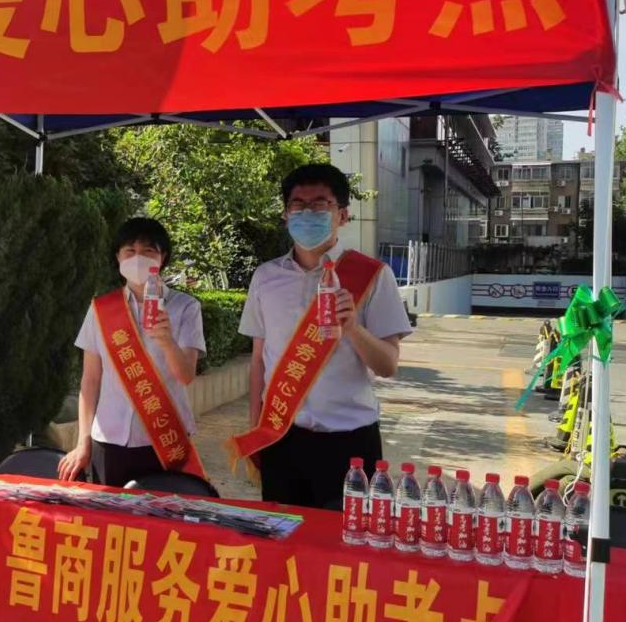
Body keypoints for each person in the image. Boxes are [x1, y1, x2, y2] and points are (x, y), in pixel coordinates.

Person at [229, 163, 412, 510]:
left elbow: (388, 365)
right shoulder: (265, 277)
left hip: (350, 442)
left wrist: (353, 328)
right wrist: (255, 429)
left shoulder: (373, 275)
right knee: (284, 534)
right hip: (281, 435)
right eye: (298, 205)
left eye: (319, 204)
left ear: (342, 214)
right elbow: (258, 362)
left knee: (345, 540)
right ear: (286, 215)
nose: (307, 212)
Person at [58, 217, 206, 486]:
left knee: (162, 512)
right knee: (110, 512)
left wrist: (167, 341)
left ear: (163, 257)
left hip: (164, 438)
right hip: (109, 439)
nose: (138, 258)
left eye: (148, 251)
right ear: (118, 257)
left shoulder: (185, 307)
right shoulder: (101, 309)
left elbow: (186, 376)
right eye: (130, 251)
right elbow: (90, 380)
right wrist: (83, 441)